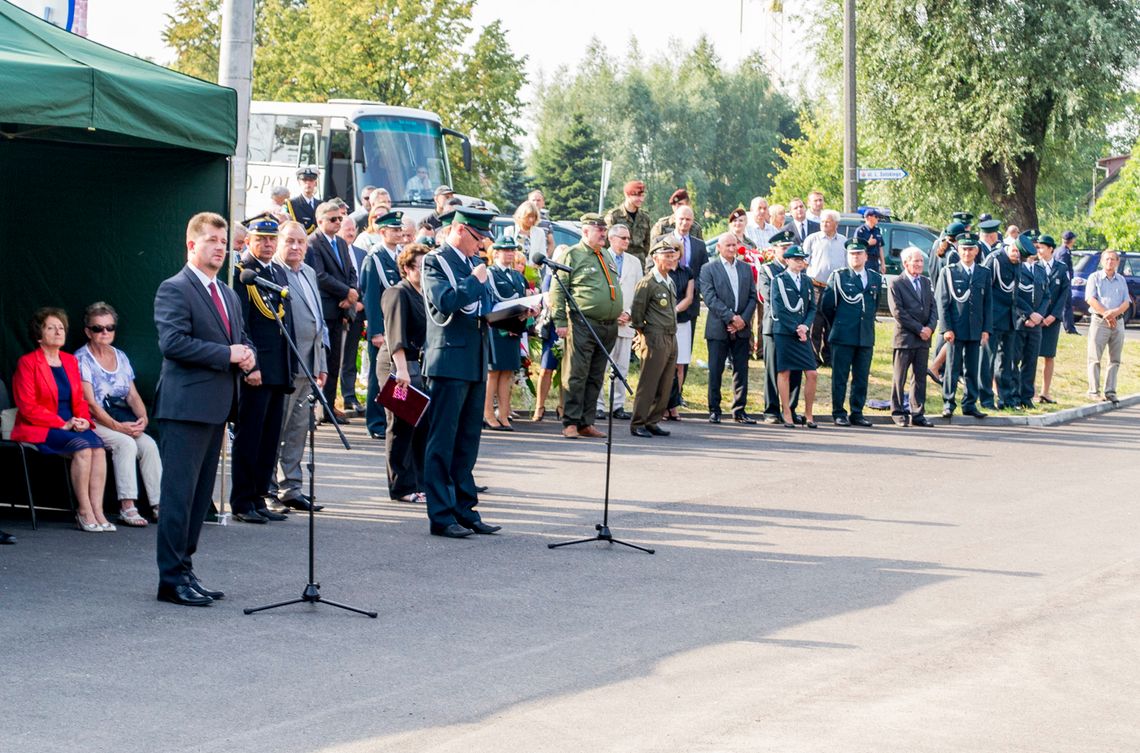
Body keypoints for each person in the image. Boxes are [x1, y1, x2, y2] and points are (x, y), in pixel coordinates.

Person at [153, 212, 255, 606]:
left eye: (223, 240)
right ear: (191, 245)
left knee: (199, 500)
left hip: (216, 407)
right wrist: (227, 354)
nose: (220, 247)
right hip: (185, 408)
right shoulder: (175, 288)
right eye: (212, 240)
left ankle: (186, 569)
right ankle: (170, 579)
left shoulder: (228, 293)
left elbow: (241, 338)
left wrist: (248, 356)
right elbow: (173, 343)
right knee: (179, 496)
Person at [421, 206, 504, 538]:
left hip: (473, 360)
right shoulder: (435, 262)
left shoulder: (473, 264)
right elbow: (445, 302)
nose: (481, 245)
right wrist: (474, 281)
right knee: (442, 442)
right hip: (448, 362)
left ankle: (465, 509)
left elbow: (485, 310)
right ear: (459, 231)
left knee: (468, 441)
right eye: (478, 237)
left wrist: (518, 312)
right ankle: (441, 515)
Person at [11, 307, 109, 532]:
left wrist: (84, 420)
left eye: (61, 328)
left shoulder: (69, 361)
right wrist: (61, 423)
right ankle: (84, 511)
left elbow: (80, 400)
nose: (58, 332)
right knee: (83, 448)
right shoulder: (27, 363)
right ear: (39, 334)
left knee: (99, 449)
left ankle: (98, 510)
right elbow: (27, 406)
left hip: (72, 422)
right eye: (51, 328)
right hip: (41, 425)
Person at [228, 217, 294, 524]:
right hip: (256, 369)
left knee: (270, 438)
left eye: (272, 239)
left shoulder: (276, 271)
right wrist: (250, 365)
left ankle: (258, 497)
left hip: (278, 367)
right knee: (250, 435)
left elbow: (284, 322)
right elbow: (241, 324)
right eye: (262, 239)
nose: (268, 244)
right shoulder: (243, 275)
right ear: (249, 241)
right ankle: (242, 501)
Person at [75, 302, 162, 526]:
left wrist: (142, 419)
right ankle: (127, 506)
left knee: (149, 445)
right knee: (126, 443)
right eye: (98, 328)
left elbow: (132, 395)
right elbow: (91, 404)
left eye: (109, 327)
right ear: (88, 331)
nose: (105, 332)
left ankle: (159, 504)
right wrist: (119, 427)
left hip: (122, 418)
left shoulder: (120, 356)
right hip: (94, 421)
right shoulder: (82, 359)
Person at [549, 213, 624, 439]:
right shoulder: (572, 255)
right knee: (576, 373)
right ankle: (570, 422)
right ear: (585, 231)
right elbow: (558, 288)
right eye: (598, 229)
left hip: (607, 326)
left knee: (596, 375)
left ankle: (586, 422)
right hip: (582, 323)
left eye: (604, 229)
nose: (603, 233)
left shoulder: (605, 256)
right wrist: (560, 320)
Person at [271, 221, 327, 513]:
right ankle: (267, 487)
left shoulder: (307, 272)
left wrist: (323, 362)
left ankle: (290, 487)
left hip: (310, 363)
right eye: (289, 241)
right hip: (287, 364)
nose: (295, 247)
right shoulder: (274, 273)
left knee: (298, 430)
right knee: (276, 428)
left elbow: (319, 321)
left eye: (300, 242)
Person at [380, 243, 431, 503]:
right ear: (407, 268)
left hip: (416, 365)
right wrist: (401, 371)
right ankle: (401, 487)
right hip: (397, 365)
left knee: (420, 426)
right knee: (401, 426)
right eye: (421, 267)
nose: (425, 272)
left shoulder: (423, 293)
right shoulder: (397, 293)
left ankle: (419, 482)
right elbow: (395, 335)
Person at [305, 201, 357, 424]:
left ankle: (329, 405)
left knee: (335, 361)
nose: (338, 222)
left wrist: (351, 292)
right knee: (319, 361)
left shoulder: (342, 244)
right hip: (324, 309)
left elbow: (351, 271)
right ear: (320, 221)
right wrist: (346, 292)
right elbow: (320, 275)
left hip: (341, 309)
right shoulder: (313, 243)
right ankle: (313, 409)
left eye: (340, 219)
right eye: (333, 219)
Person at [821, 239, 880, 427]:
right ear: (847, 256)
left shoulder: (875, 277)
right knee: (840, 376)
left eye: (859, 253)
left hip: (865, 336)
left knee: (861, 377)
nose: (856, 257)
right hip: (843, 335)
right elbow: (827, 306)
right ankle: (838, 412)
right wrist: (839, 325)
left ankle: (857, 412)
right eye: (852, 254)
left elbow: (874, 305)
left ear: (865, 256)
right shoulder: (838, 276)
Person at [699, 233, 758, 424]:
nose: (732, 249)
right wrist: (731, 318)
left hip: (742, 328)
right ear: (719, 247)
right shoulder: (708, 268)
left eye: (734, 245)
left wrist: (743, 320)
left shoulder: (746, 268)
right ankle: (714, 409)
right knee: (716, 370)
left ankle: (739, 410)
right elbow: (710, 298)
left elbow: (752, 296)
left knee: (741, 370)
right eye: (728, 245)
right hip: (718, 327)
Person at [935, 234, 992, 420]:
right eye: (964, 249)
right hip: (956, 328)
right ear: (958, 250)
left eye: (970, 249)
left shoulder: (983, 273)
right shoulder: (949, 272)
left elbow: (988, 304)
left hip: (975, 328)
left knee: (972, 368)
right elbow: (942, 302)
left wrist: (986, 329)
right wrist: (946, 328)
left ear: (976, 251)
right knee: (952, 367)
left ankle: (969, 403)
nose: (967, 252)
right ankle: (948, 403)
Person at [359, 210, 405, 439]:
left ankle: (394, 418)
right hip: (383, 327)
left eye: (399, 229)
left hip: (398, 324)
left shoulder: (400, 255)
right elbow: (370, 296)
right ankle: (376, 422)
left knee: (397, 375)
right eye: (394, 229)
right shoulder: (374, 258)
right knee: (379, 377)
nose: (398, 233)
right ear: (382, 231)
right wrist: (375, 331)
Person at [629, 239, 680, 437]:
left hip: (670, 335)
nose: (670, 259)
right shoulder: (648, 282)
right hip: (654, 336)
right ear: (655, 258)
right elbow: (637, 313)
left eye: (672, 256)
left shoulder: (669, 281)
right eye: (666, 256)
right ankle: (639, 422)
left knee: (665, 382)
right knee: (648, 382)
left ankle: (653, 420)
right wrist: (643, 334)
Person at [887, 247, 938, 427]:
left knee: (919, 378)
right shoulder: (896, 283)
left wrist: (930, 328)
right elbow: (898, 312)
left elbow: (933, 307)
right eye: (915, 261)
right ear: (905, 262)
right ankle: (898, 412)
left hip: (924, 339)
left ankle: (918, 413)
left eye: (921, 261)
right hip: (905, 338)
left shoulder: (925, 282)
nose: (919, 264)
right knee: (899, 377)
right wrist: (919, 328)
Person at [769, 246, 819, 428]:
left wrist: (805, 326)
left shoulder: (806, 281)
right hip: (785, 331)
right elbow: (778, 308)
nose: (800, 262)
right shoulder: (779, 280)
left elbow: (812, 306)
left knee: (812, 373)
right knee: (785, 372)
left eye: (802, 259)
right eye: (796, 259)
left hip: (802, 332)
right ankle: (787, 411)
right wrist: (795, 329)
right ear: (787, 260)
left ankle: (809, 414)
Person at [484, 235, 528, 430]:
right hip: (497, 328)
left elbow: (522, 299)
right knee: (493, 372)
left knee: (508, 372)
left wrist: (529, 311)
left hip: (514, 327)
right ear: (496, 253)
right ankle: (487, 414)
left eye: (512, 250)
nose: (510, 253)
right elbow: (495, 302)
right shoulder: (490, 273)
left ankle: (503, 413)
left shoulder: (517, 276)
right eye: (506, 250)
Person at [597, 223, 640, 420]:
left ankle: (618, 405)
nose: (627, 241)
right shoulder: (601, 257)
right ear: (612, 239)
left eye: (628, 238)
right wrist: (613, 313)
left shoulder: (634, 262)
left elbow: (639, 291)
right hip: (606, 320)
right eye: (623, 238)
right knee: (602, 365)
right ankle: (598, 404)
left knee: (621, 366)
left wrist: (629, 313)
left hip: (626, 321)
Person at [758, 229, 802, 424]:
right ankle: (772, 409)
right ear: (774, 250)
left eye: (788, 248)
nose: (786, 251)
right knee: (774, 369)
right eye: (782, 248)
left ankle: (790, 408)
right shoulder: (767, 270)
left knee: (795, 369)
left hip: (794, 329)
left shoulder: (798, 271)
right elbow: (770, 297)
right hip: (774, 327)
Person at [981, 235, 1024, 409]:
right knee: (988, 360)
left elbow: (1014, 292)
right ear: (1009, 248)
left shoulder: (1017, 263)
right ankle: (986, 399)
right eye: (1015, 252)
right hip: (992, 317)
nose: (1017, 257)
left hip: (1010, 318)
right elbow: (983, 288)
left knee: (1006, 361)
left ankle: (1006, 398)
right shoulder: (995, 260)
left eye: (1020, 255)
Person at [1084, 249, 1129, 404]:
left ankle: (1110, 391)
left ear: (1117, 262)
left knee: (1115, 359)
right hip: (1099, 321)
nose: (1110, 262)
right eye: (1107, 259)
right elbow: (1090, 299)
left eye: (1113, 259)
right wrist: (1106, 314)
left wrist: (1114, 313)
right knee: (1095, 357)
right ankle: (1093, 391)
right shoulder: (1094, 277)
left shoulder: (1121, 279)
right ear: (1102, 261)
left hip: (1118, 322)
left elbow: (1126, 302)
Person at [804, 209, 846, 366]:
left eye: (827, 221)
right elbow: (804, 262)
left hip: (835, 288)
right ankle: (813, 357)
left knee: (831, 322)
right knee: (815, 322)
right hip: (815, 285)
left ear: (836, 224)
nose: (824, 224)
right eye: (822, 221)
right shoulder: (812, 239)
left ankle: (829, 356)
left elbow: (846, 264)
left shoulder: (843, 241)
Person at [1011, 238, 1048, 409]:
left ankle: (1027, 396)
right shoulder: (1016, 268)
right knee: (1014, 361)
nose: (1036, 250)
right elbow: (1014, 295)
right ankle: (1014, 396)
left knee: (1031, 361)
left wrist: (1039, 315)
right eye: (1033, 246)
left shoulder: (1040, 270)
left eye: (1038, 247)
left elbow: (1047, 295)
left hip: (1036, 324)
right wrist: (1028, 315)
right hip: (1020, 322)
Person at [1034, 235, 1071, 403]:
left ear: (1051, 249)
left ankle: (1045, 392)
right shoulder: (1033, 267)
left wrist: (1053, 316)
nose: (1039, 250)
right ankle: (1030, 391)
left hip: (1052, 319)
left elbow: (1064, 295)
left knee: (1049, 355)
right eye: (1037, 247)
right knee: (1031, 355)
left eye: (1042, 247)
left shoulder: (1062, 268)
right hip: (1035, 318)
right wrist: (1037, 315)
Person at [337, 214, 367, 415]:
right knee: (335, 358)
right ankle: (330, 400)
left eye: (353, 228)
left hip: (358, 312)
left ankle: (349, 396)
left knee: (350, 357)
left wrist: (360, 303)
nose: (350, 232)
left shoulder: (362, 253)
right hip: (339, 312)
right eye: (346, 228)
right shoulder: (335, 251)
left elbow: (366, 282)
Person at [605, 181, 652, 266]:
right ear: (627, 195)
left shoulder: (645, 217)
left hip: (639, 262)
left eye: (642, 196)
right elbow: (606, 241)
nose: (641, 199)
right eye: (637, 196)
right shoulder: (614, 216)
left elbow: (647, 243)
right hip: (618, 260)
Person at [288, 165, 322, 234]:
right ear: (299, 182)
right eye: (304, 180)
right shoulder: (291, 204)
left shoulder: (321, 204)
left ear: (315, 183)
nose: (308, 183)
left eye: (311, 180)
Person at [1057, 230, 1079, 333]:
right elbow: (1062, 269)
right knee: (1067, 306)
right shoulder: (1064, 253)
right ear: (1072, 240)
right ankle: (1069, 328)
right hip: (1063, 283)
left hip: (1061, 282)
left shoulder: (1058, 250)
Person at [853, 208, 885, 274]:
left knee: (874, 282)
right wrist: (867, 243)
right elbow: (855, 247)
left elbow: (880, 247)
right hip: (865, 261)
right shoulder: (860, 231)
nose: (877, 219)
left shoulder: (877, 230)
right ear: (869, 217)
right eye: (876, 217)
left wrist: (883, 263)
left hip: (875, 262)